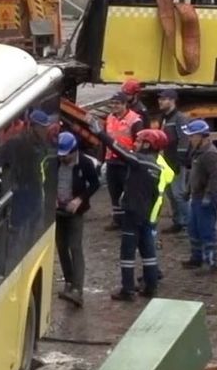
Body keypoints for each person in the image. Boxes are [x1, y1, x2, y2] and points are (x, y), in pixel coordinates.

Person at [94, 122, 165, 301]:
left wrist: (100, 133)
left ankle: (127, 289)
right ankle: (151, 285)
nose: (135, 144)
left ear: (148, 145)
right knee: (147, 249)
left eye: (139, 141)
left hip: (132, 212)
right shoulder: (157, 168)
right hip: (146, 213)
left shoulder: (140, 161)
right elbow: (155, 194)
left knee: (127, 251)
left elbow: (119, 150)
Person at [54, 132, 100, 308]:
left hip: (75, 212)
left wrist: (80, 199)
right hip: (58, 210)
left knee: (75, 246)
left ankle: (77, 290)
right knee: (61, 246)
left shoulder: (86, 164)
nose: (63, 158)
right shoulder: (56, 161)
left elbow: (95, 184)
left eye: (66, 155)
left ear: (74, 152)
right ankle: (68, 281)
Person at [181, 119, 217, 272]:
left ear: (201, 136)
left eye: (192, 136)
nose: (190, 139)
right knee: (193, 228)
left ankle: (211, 262)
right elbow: (193, 174)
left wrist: (209, 196)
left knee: (206, 230)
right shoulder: (196, 151)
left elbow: (214, 178)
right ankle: (196, 258)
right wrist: (188, 190)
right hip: (196, 196)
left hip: (206, 198)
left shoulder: (210, 154)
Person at [102, 93, 142, 230]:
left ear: (125, 104)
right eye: (112, 103)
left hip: (126, 161)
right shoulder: (110, 118)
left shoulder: (135, 120)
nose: (114, 106)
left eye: (117, 103)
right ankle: (117, 220)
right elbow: (105, 139)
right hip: (111, 160)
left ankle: (129, 220)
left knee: (128, 192)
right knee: (114, 192)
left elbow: (138, 142)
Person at [156, 89, 191, 234]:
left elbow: (184, 139)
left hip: (175, 162)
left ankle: (190, 223)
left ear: (172, 101)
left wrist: (180, 160)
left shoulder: (179, 118)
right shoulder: (164, 118)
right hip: (165, 162)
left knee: (179, 194)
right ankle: (178, 221)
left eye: (163, 99)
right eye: (160, 99)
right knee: (170, 194)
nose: (160, 101)